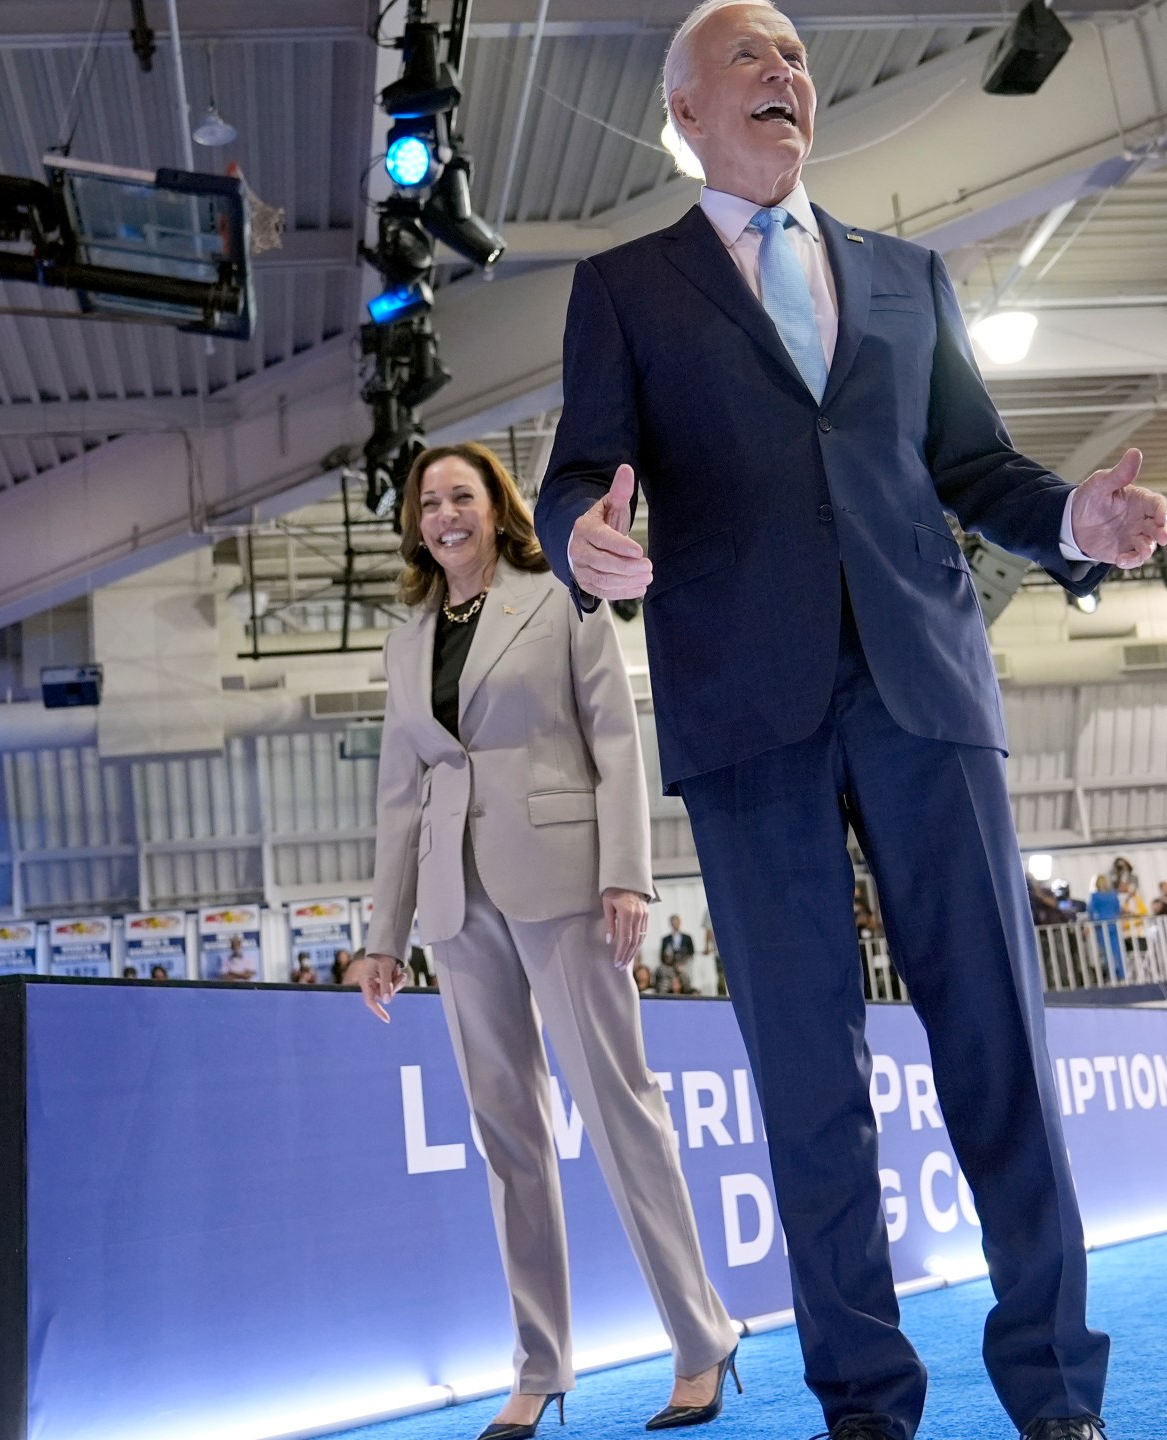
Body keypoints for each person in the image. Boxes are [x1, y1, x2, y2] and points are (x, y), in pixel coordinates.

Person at [533, 5, 1167, 1435]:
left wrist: (1075, 516)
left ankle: (1057, 1390)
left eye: (797, 57)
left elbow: (978, 466)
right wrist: (584, 540)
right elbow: (580, 475)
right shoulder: (626, 287)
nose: (785, 73)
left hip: (924, 686)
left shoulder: (906, 275)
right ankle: (866, 1404)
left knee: (997, 1036)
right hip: (746, 712)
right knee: (809, 1078)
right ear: (684, 112)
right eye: (749, 58)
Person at [358, 441, 741, 1437]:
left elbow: (614, 738)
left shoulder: (560, 595)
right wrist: (382, 935)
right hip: (456, 901)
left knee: (618, 1109)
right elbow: (400, 793)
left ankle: (701, 1342)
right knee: (506, 1140)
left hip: (565, 880)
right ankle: (538, 1365)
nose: (444, 513)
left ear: (497, 509)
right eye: (428, 500)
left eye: (462, 496)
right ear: (415, 522)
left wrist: (626, 872)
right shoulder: (406, 639)